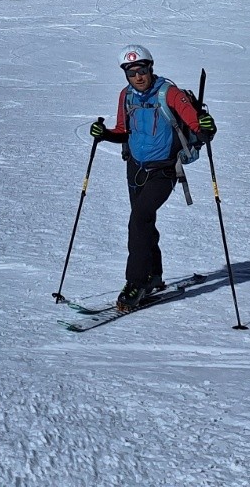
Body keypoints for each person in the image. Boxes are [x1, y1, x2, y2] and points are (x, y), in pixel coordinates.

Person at [89, 44, 218, 311]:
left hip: (165, 170)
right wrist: (104, 134)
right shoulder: (126, 96)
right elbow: (123, 131)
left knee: (138, 218)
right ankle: (154, 275)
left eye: (142, 70)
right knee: (144, 221)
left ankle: (136, 283)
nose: (137, 76)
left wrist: (208, 127)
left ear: (151, 67)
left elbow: (198, 127)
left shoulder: (170, 94)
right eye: (131, 72)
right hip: (135, 168)